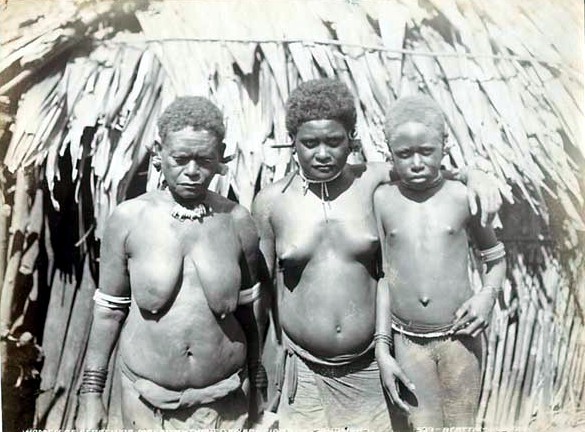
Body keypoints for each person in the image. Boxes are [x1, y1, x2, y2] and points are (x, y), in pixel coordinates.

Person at [252, 79, 506, 430]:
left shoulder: (371, 181)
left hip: (371, 366)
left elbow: (427, 168)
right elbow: (260, 296)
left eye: (334, 142)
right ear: (292, 142)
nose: (322, 153)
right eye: (309, 143)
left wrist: (474, 175)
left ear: (352, 139)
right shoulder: (271, 203)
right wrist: (258, 370)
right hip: (305, 371)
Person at [75, 96, 266, 430]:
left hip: (226, 401)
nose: (192, 172)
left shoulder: (237, 221)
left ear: (220, 156)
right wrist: (91, 394)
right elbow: (108, 312)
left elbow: (251, 316)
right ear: (158, 154)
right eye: (180, 158)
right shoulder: (128, 219)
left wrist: (258, 385)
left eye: (204, 159)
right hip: (146, 404)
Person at [374, 95, 507, 429]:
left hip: (459, 337)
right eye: (404, 154)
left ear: (444, 147)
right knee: (423, 427)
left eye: (426, 151)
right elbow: (381, 275)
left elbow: (496, 259)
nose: (416, 162)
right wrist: (384, 345)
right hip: (407, 340)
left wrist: (487, 297)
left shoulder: (462, 197)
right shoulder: (382, 199)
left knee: (462, 425)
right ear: (389, 152)